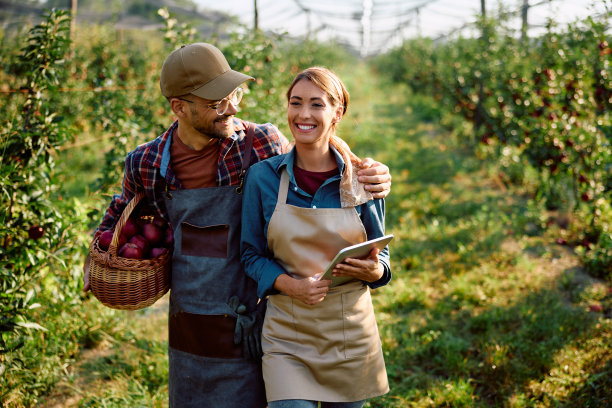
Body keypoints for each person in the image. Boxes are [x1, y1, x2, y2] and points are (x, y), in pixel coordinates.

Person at [83, 43, 392, 408]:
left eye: (233, 95)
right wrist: (98, 261)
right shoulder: (147, 162)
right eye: (216, 103)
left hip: (253, 311)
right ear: (179, 107)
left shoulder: (259, 145)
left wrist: (365, 169)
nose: (232, 108)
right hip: (191, 314)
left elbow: (311, 151)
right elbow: (120, 215)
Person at [240, 67, 390, 408]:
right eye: (296, 103)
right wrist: (290, 286)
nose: (303, 114)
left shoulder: (363, 180)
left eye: (316, 104)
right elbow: (249, 254)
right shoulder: (263, 178)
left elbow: (382, 258)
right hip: (287, 334)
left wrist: (376, 272)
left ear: (337, 113)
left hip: (349, 332)